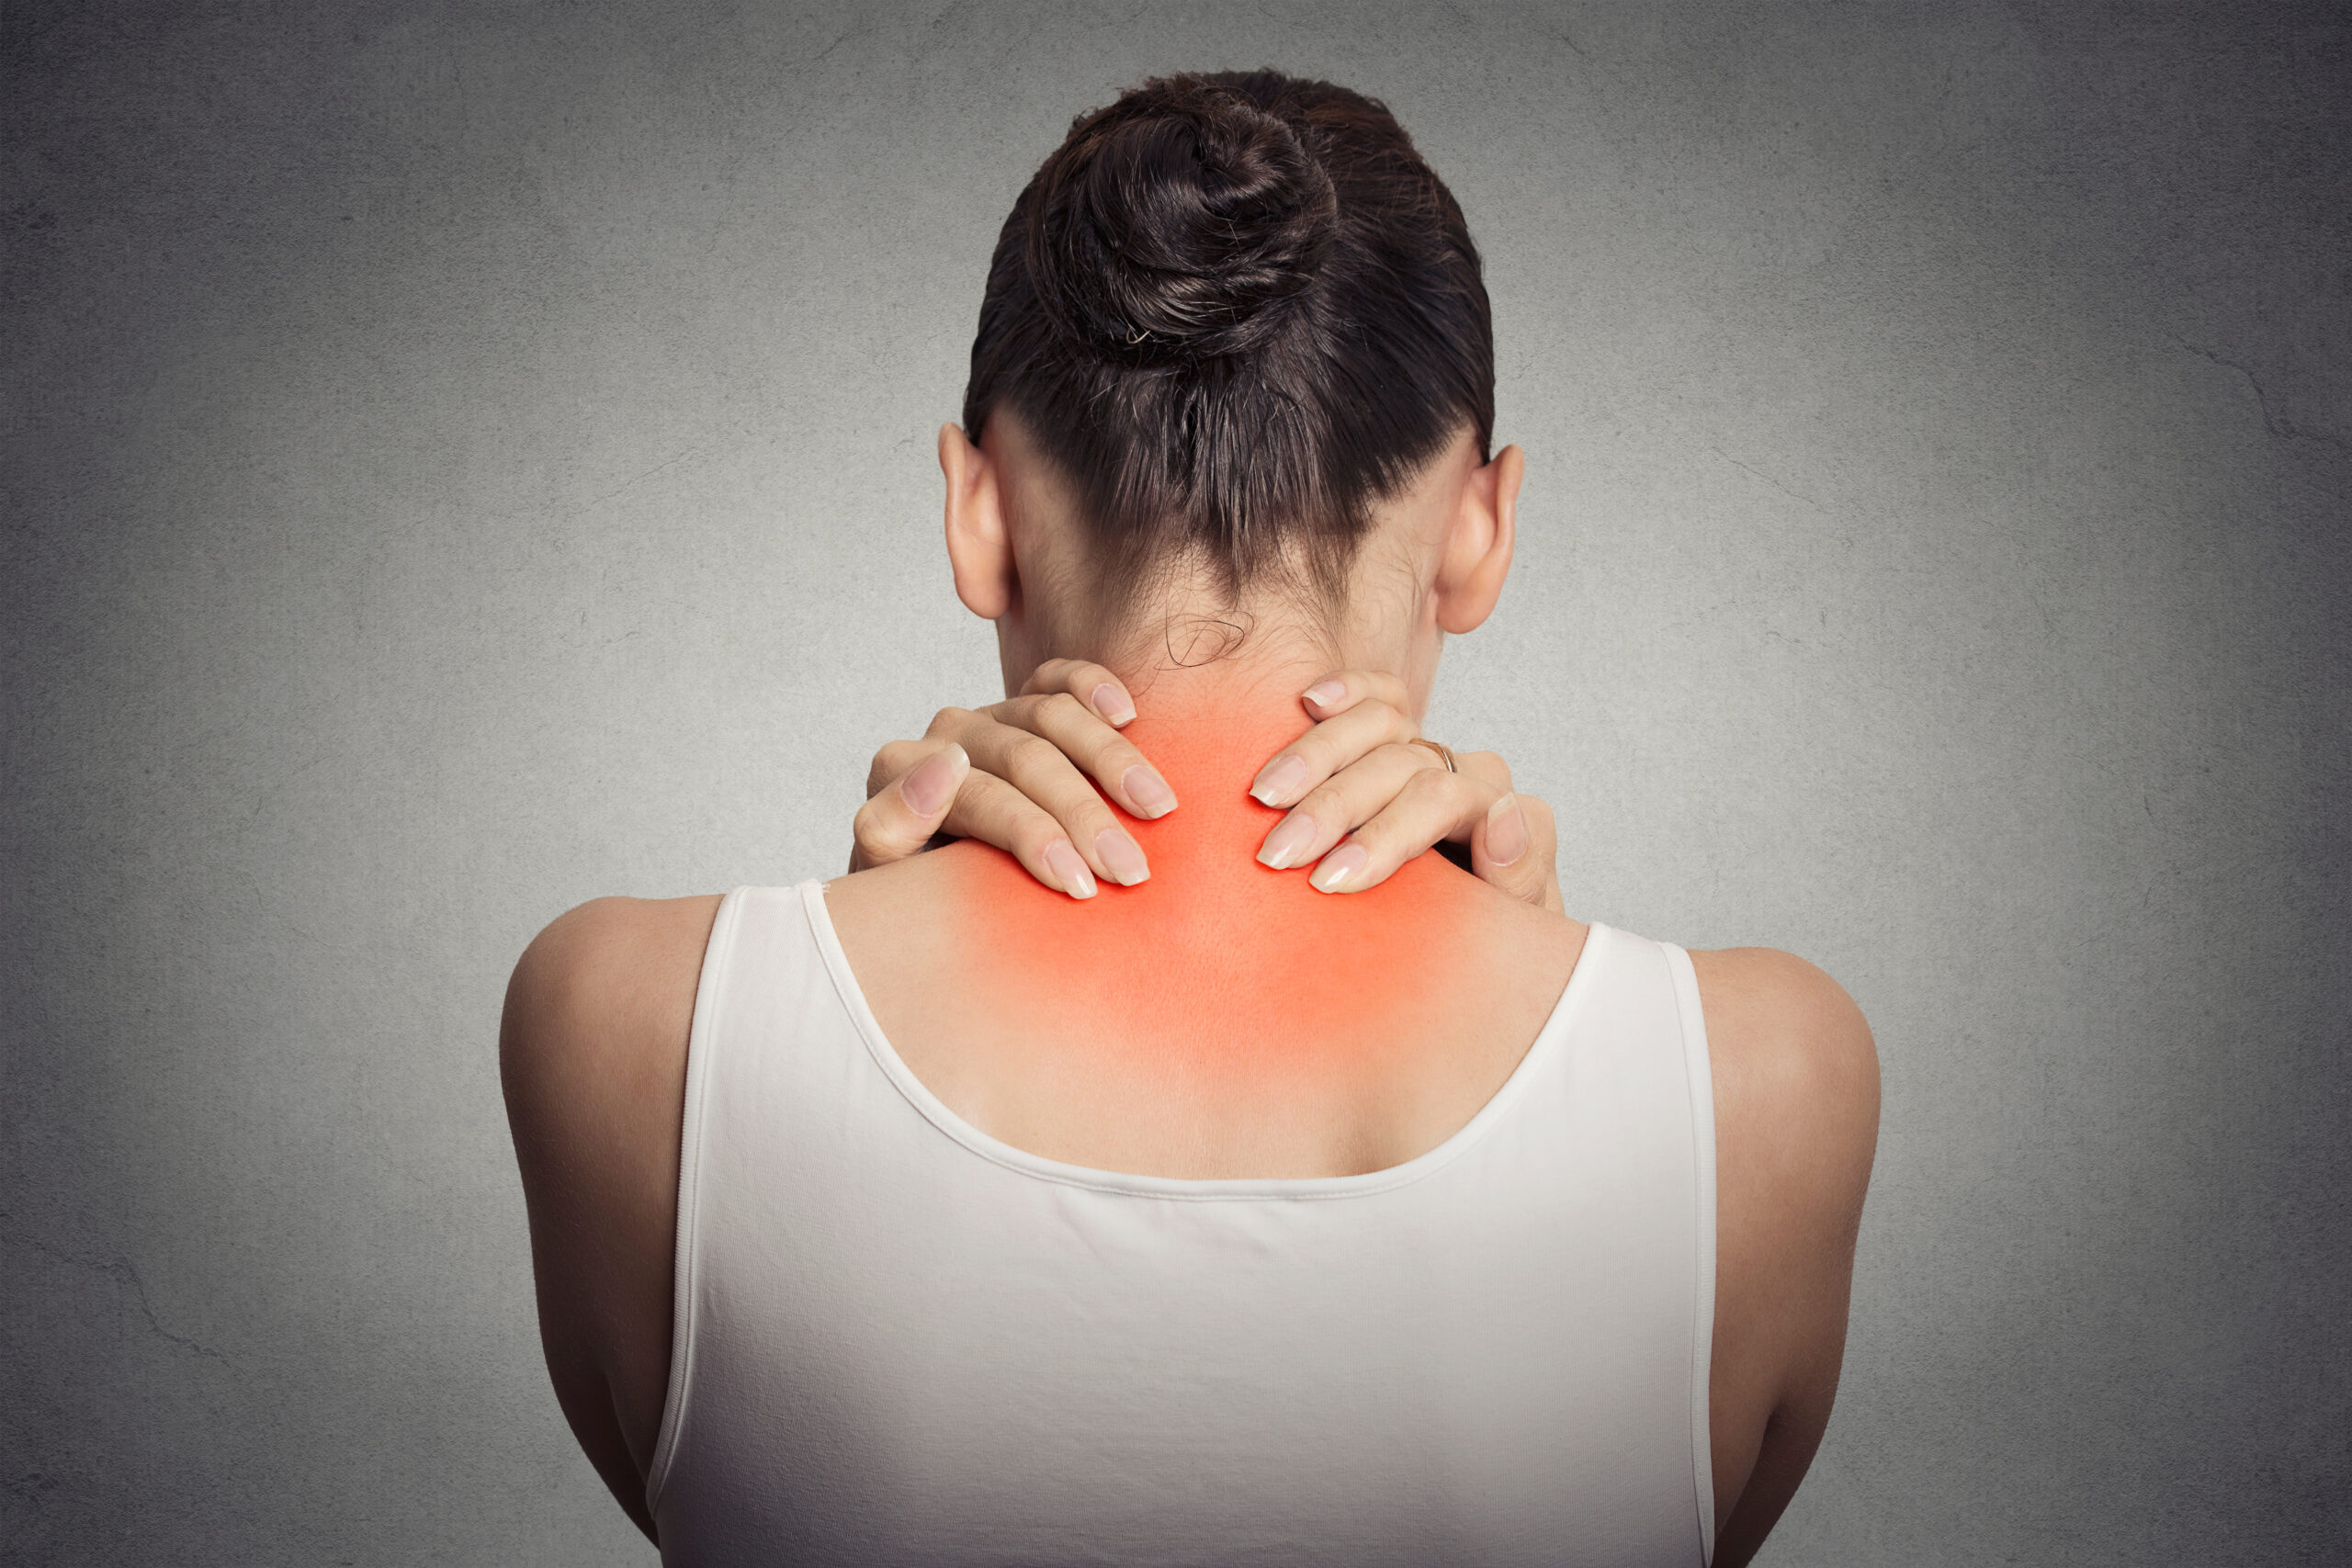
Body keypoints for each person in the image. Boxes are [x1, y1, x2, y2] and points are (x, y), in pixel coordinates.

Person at [501, 69, 1879, 1567]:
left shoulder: (618, 1029)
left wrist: (804, 1000)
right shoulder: (1772, 1089)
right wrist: (1587, 1029)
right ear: (1480, 529)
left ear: (980, 512)